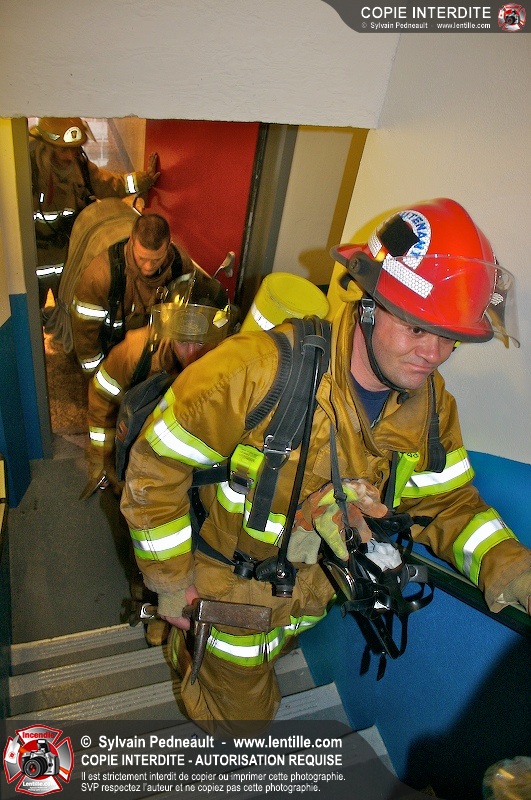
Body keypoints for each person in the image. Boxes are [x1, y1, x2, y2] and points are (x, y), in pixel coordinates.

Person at [120, 197, 531, 733]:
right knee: (242, 724)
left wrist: (512, 567)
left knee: (271, 656)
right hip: (226, 593)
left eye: (449, 336)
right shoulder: (255, 372)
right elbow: (155, 468)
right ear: (370, 305)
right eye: (417, 329)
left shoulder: (430, 407)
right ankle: (191, 656)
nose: (433, 354)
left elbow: (446, 502)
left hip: (307, 596)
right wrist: (173, 586)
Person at [85, 268, 235, 645]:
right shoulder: (136, 353)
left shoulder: (236, 366)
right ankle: (149, 601)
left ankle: (174, 608)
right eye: (183, 340)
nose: (192, 353)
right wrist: (103, 461)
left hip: (199, 477)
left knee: (187, 545)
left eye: (203, 341)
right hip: (138, 472)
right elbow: (102, 394)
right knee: (142, 540)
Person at [29, 117, 160, 312]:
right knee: (31, 310)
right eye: (63, 150)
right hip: (36, 257)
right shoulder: (27, 169)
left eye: (74, 149)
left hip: (70, 253)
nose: (70, 156)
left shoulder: (80, 166)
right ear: (47, 145)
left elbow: (109, 184)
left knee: (67, 307)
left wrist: (142, 180)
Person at [71, 211, 193, 375]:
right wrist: (96, 377)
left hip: (156, 357)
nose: (148, 267)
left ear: (169, 246)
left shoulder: (181, 266)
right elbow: (85, 336)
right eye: (142, 258)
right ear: (131, 241)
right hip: (112, 357)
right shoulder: (100, 276)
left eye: (157, 260)